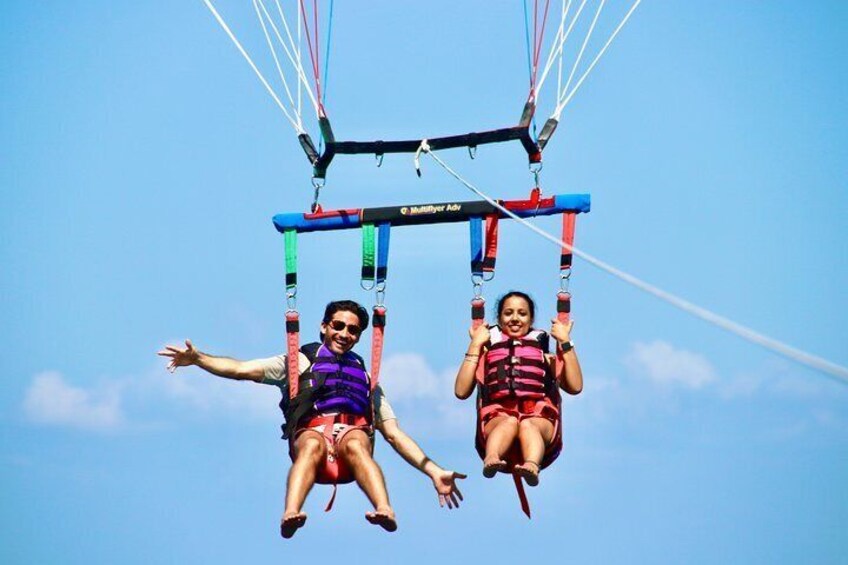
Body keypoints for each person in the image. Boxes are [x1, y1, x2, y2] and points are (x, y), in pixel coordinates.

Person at [159, 300, 465, 539]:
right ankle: (292, 512)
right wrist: (199, 360)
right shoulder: (299, 361)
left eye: (352, 330)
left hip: (352, 437)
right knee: (311, 445)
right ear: (323, 327)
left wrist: (434, 472)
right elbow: (241, 370)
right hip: (312, 431)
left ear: (359, 336)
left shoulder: (368, 377)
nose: (344, 334)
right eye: (338, 325)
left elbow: (395, 434)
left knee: (358, 442)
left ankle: (384, 508)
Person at [454, 290, 583, 487]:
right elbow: (461, 391)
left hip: (539, 420)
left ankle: (531, 465)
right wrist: (474, 345)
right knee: (509, 422)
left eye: (522, 313)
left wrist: (565, 341)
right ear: (499, 318)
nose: (515, 318)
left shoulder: (544, 356)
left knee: (527, 425)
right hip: (498, 417)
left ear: (531, 319)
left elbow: (575, 386)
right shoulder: (487, 353)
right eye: (508, 313)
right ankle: (491, 458)